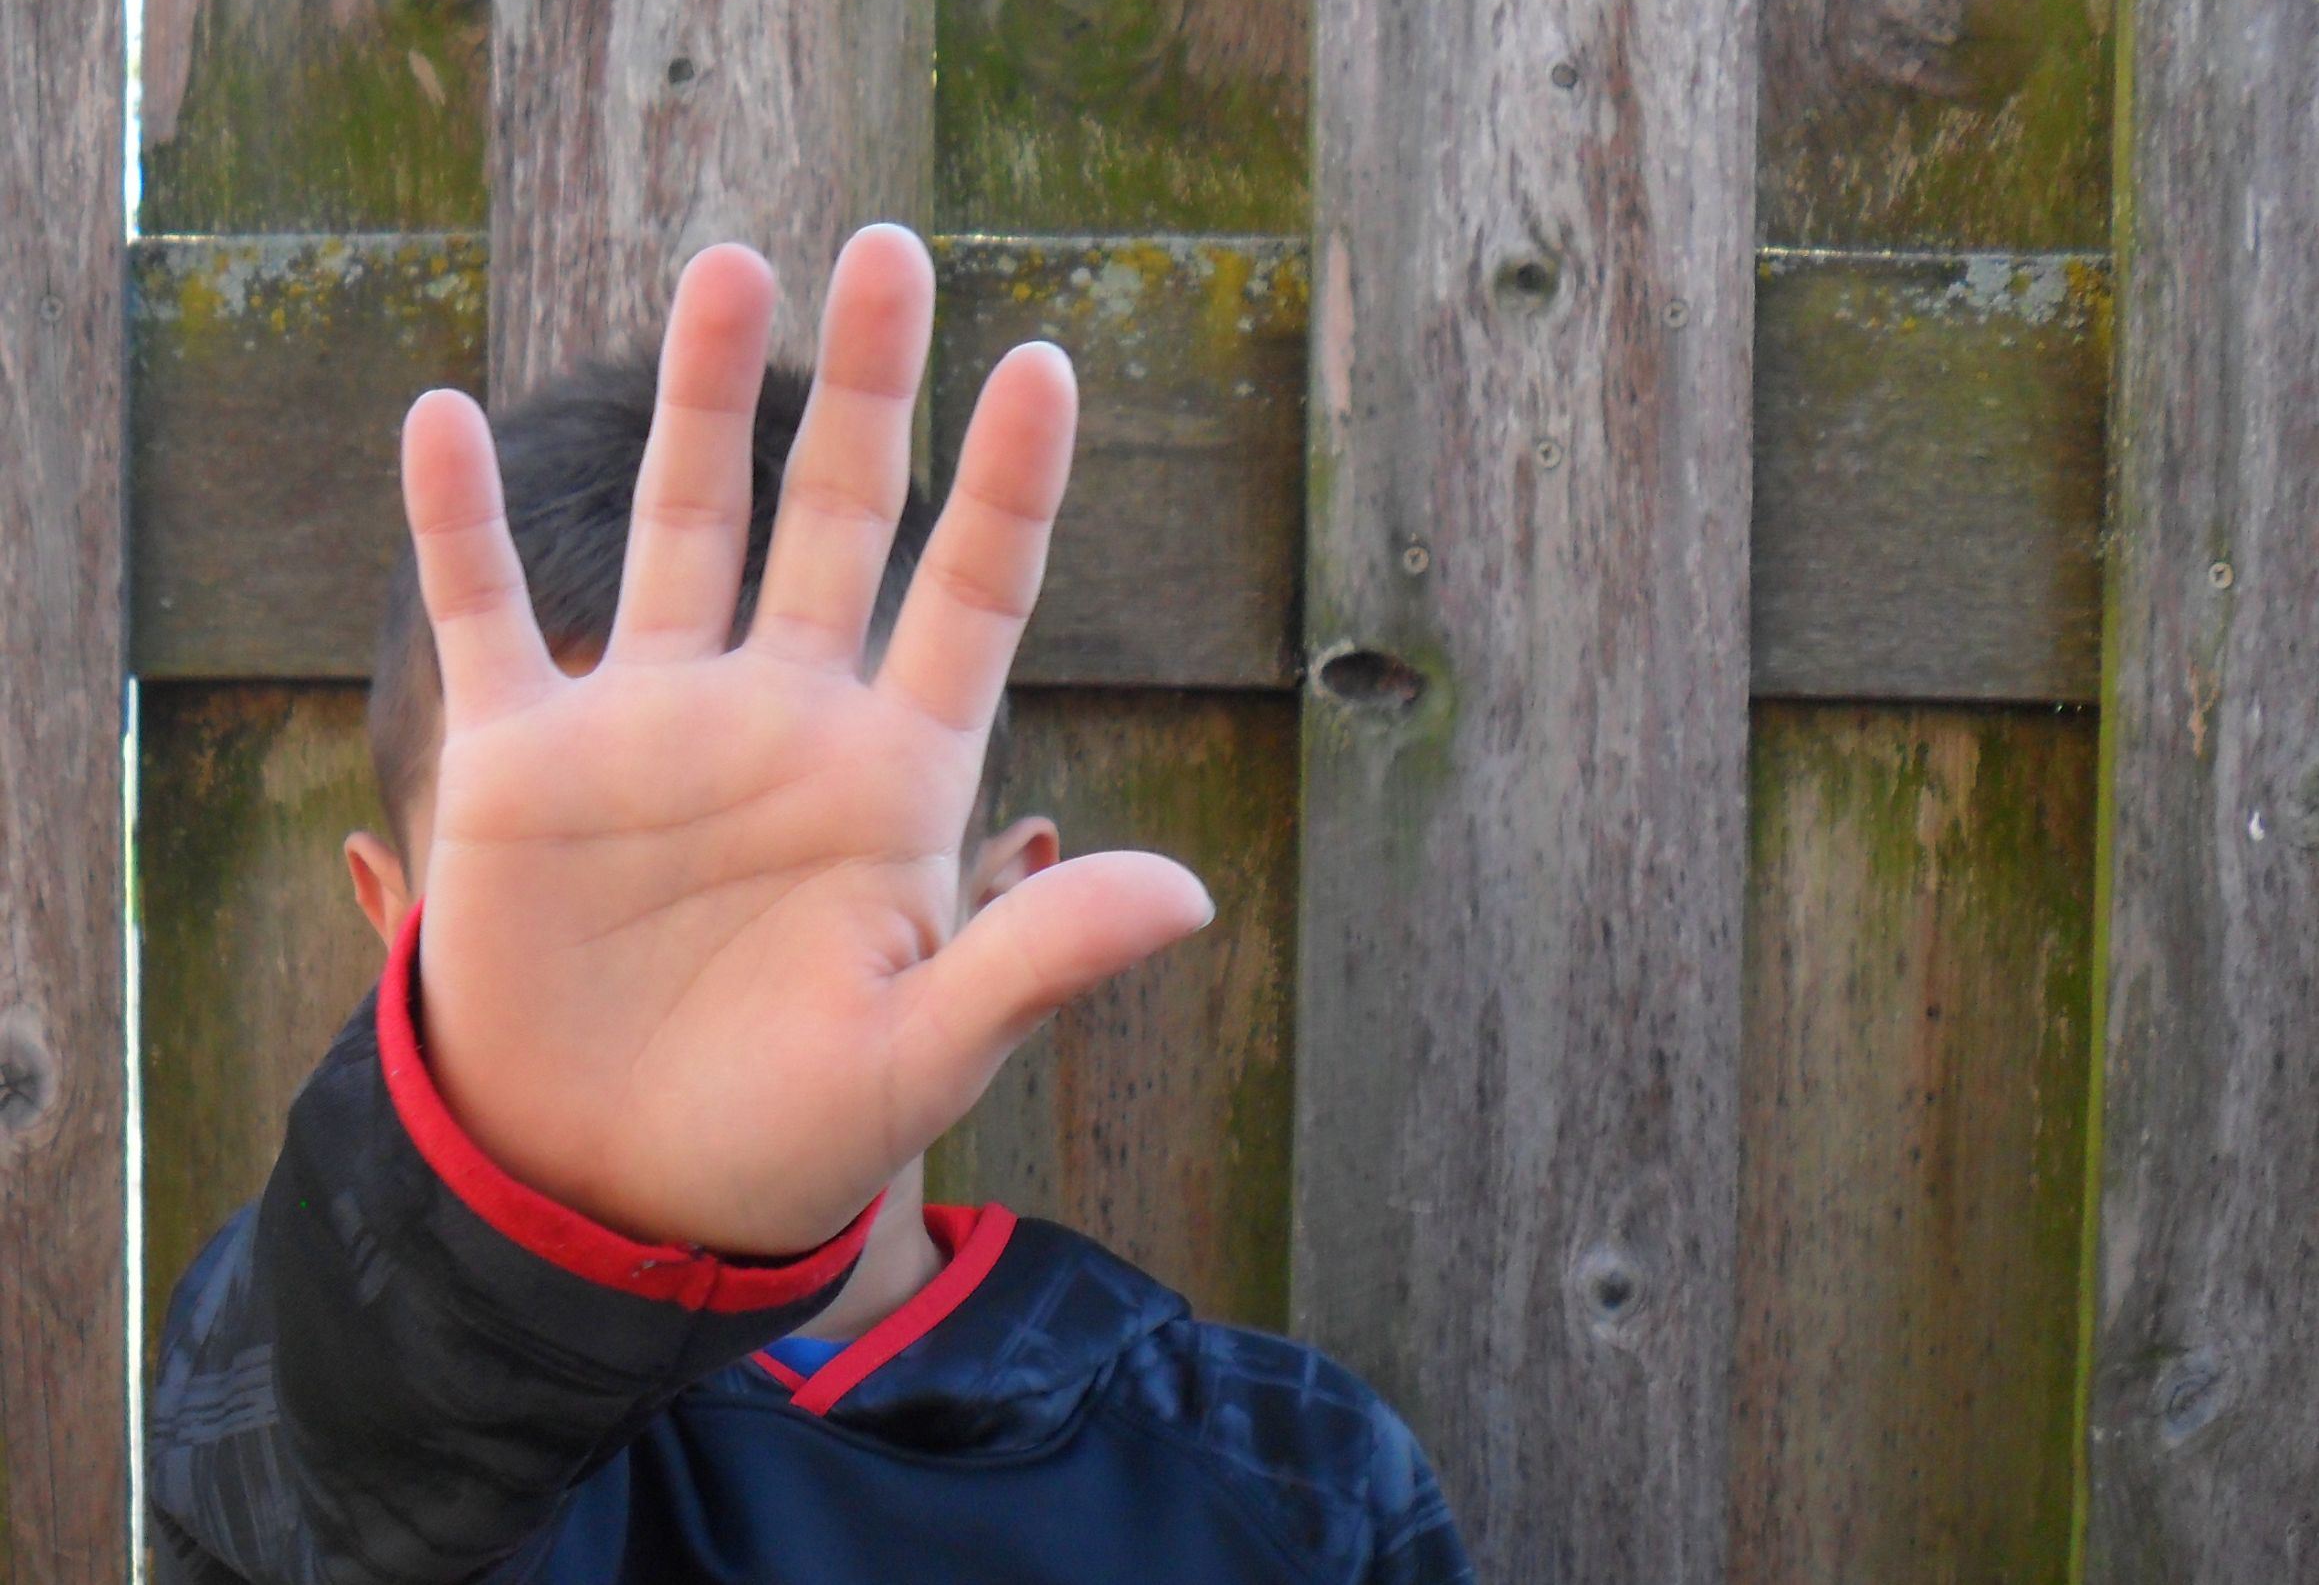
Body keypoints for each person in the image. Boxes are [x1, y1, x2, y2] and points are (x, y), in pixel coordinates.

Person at [147, 227, 1473, 1584]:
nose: (693, 974)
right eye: (591, 894)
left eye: (792, 886)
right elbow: (313, 1485)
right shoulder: (324, 1416)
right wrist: (532, 1203)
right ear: (396, 919)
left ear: (997, 908)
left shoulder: (1293, 1478)